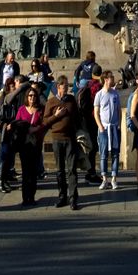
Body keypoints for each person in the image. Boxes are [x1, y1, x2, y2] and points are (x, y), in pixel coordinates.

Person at [44, 74, 81, 209]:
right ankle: (62, 196)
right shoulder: (51, 102)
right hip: (57, 139)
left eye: (67, 86)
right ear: (58, 87)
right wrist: (56, 116)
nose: (66, 89)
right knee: (60, 170)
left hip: (70, 138)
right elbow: (45, 121)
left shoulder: (71, 100)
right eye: (63, 86)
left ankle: (73, 198)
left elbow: (77, 117)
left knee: (72, 169)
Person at [15, 85, 45, 207]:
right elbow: (16, 123)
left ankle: (31, 196)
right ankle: (25, 197)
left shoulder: (40, 110)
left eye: (34, 95)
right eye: (30, 95)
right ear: (27, 97)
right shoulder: (22, 109)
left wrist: (36, 128)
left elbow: (44, 125)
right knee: (25, 172)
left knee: (33, 172)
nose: (32, 97)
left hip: (36, 144)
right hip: (24, 144)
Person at [95, 70, 121, 190]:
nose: (113, 79)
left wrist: (119, 124)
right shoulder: (99, 95)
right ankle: (104, 179)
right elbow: (96, 112)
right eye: (111, 78)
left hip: (114, 127)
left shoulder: (115, 94)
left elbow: (119, 110)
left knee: (115, 154)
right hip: (104, 128)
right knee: (103, 154)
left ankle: (114, 179)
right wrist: (100, 126)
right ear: (106, 79)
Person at [77, 68, 103, 184]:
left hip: (86, 120)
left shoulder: (86, 85)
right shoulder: (98, 86)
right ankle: (91, 173)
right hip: (94, 120)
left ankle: (90, 172)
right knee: (93, 148)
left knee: (90, 147)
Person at [0, 76, 19, 191]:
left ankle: (6, 180)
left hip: (13, 131)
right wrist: (4, 124)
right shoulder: (4, 99)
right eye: (12, 86)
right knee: (4, 156)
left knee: (9, 158)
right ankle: (1, 181)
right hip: (6, 131)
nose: (14, 88)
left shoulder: (15, 100)